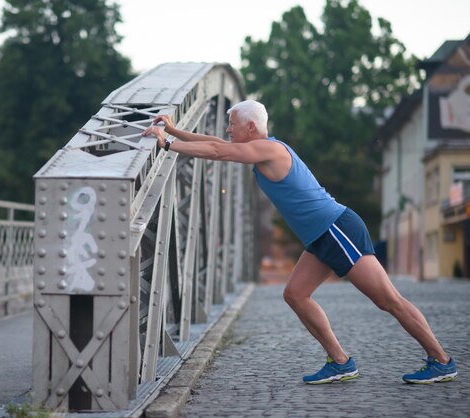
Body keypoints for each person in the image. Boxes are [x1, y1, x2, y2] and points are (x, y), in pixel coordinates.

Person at [141, 99, 458, 385]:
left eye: (232, 124)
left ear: (251, 126)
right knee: (295, 294)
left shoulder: (270, 149)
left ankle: (442, 361)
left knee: (388, 300)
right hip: (321, 237)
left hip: (337, 229)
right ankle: (340, 362)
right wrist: (175, 130)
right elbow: (216, 144)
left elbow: (217, 151)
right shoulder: (259, 150)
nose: (227, 129)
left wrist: (167, 143)